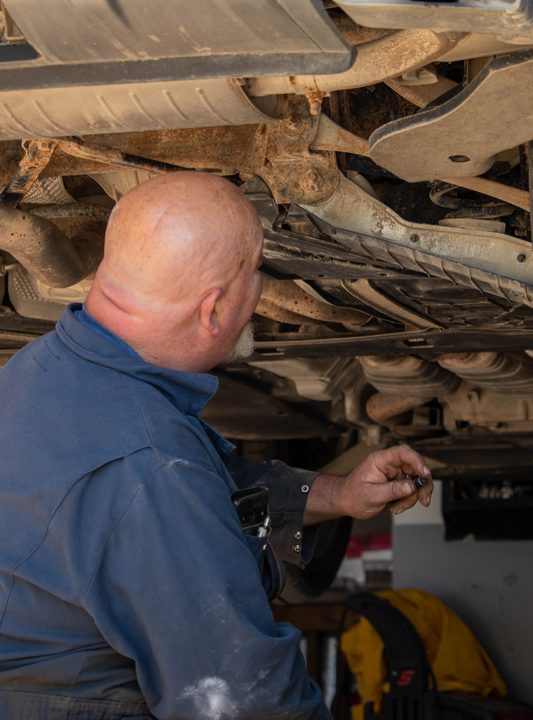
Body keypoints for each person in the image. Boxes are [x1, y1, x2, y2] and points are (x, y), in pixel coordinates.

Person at [0, 172, 433, 720]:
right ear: (212, 309)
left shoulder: (41, 369)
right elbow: (244, 701)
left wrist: (337, 494)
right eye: (255, 272)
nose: (260, 291)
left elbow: (194, 490)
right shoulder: (151, 467)